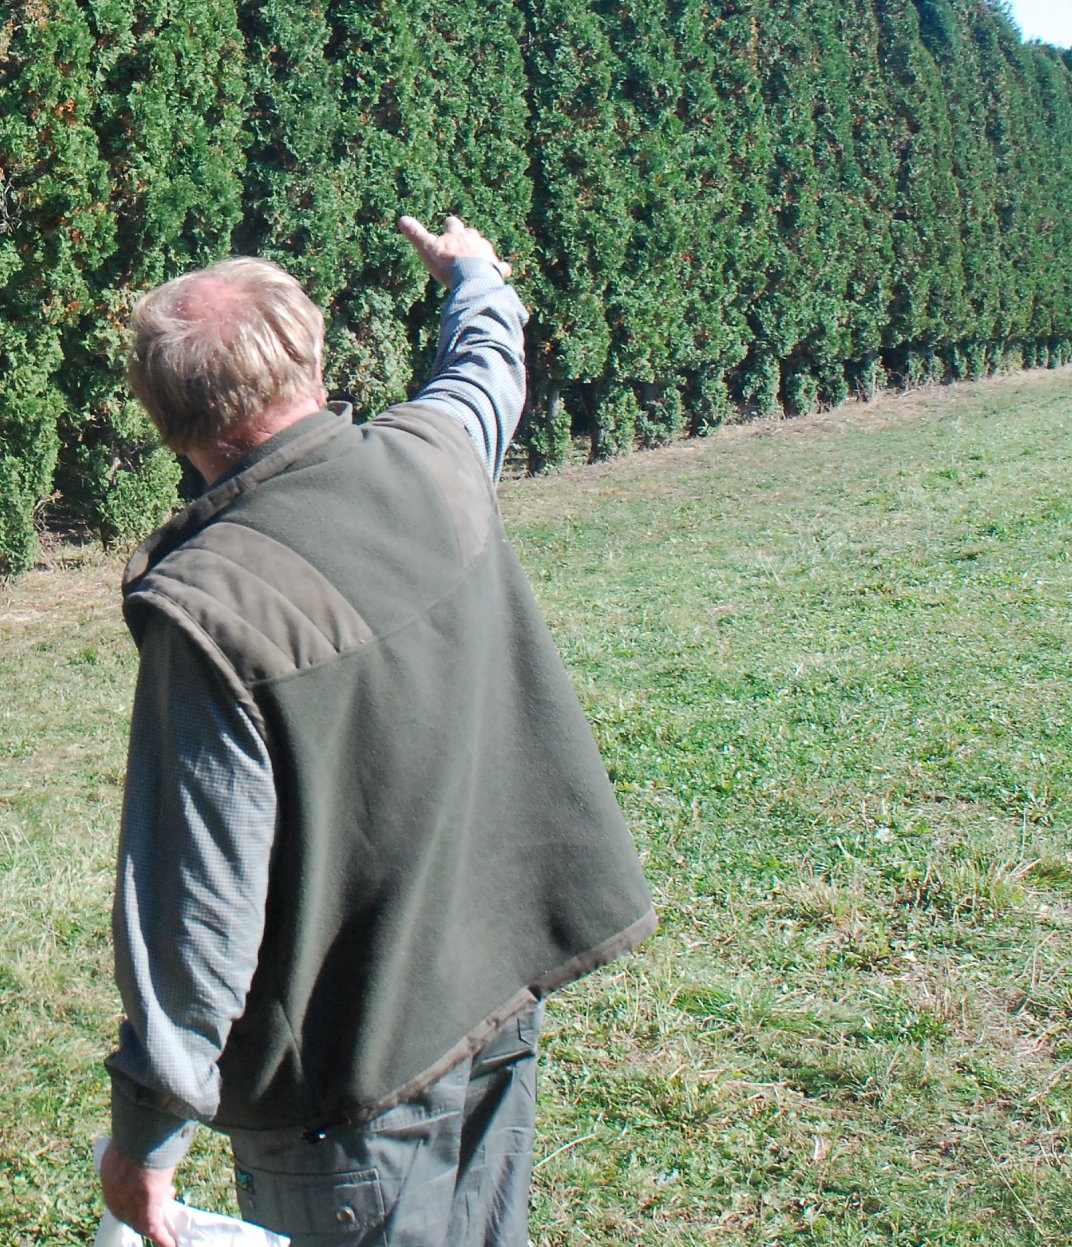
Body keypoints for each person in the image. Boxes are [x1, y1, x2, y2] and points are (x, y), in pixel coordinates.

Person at [96, 216, 655, 1247]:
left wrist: (147, 1137)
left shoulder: (207, 609)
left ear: (172, 424)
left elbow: (198, 913)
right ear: (312, 359)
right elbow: (486, 368)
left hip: (350, 1090)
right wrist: (473, 275)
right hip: (494, 995)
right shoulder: (436, 457)